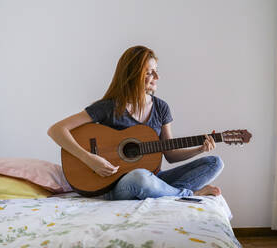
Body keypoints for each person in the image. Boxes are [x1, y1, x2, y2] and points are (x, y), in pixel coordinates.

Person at [47, 45, 224, 200]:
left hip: (154, 178)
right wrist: (89, 158)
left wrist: (199, 149)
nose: (157, 76)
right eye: (149, 72)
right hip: (117, 184)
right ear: (133, 75)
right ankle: (188, 195)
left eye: (156, 70)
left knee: (214, 163)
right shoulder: (109, 107)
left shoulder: (161, 107)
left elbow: (170, 154)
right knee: (140, 177)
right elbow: (56, 130)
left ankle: (165, 192)